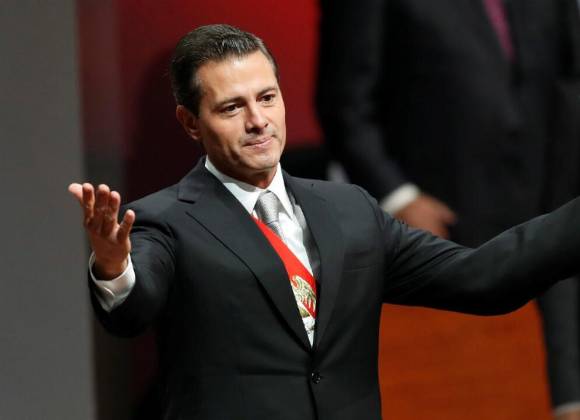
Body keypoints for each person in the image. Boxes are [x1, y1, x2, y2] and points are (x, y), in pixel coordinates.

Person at [70, 24, 580, 420]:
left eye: (267, 98)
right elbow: (133, 307)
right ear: (190, 123)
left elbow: (482, 277)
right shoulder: (165, 220)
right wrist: (115, 265)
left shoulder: (350, 209)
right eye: (231, 108)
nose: (258, 121)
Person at [316, 0, 580, 417]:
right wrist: (399, 198)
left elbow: (568, 83)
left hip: (548, 209)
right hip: (438, 237)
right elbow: (345, 105)